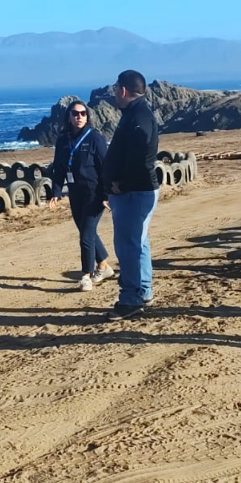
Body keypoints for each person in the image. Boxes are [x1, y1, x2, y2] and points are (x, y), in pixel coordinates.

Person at [102, 69, 159, 321]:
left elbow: (139, 154)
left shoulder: (138, 117)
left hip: (134, 192)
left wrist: (121, 182)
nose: (114, 93)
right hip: (137, 190)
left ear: (123, 90)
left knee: (128, 246)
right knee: (138, 243)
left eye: (115, 88)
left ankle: (131, 299)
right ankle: (142, 291)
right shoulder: (136, 113)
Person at [48, 100, 115, 291]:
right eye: (75, 113)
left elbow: (106, 168)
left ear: (87, 116)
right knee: (87, 232)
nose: (79, 117)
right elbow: (59, 169)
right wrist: (56, 192)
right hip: (75, 193)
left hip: (94, 194)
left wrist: (106, 194)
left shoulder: (95, 138)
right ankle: (104, 267)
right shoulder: (62, 141)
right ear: (69, 116)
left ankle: (86, 275)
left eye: (83, 113)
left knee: (86, 235)